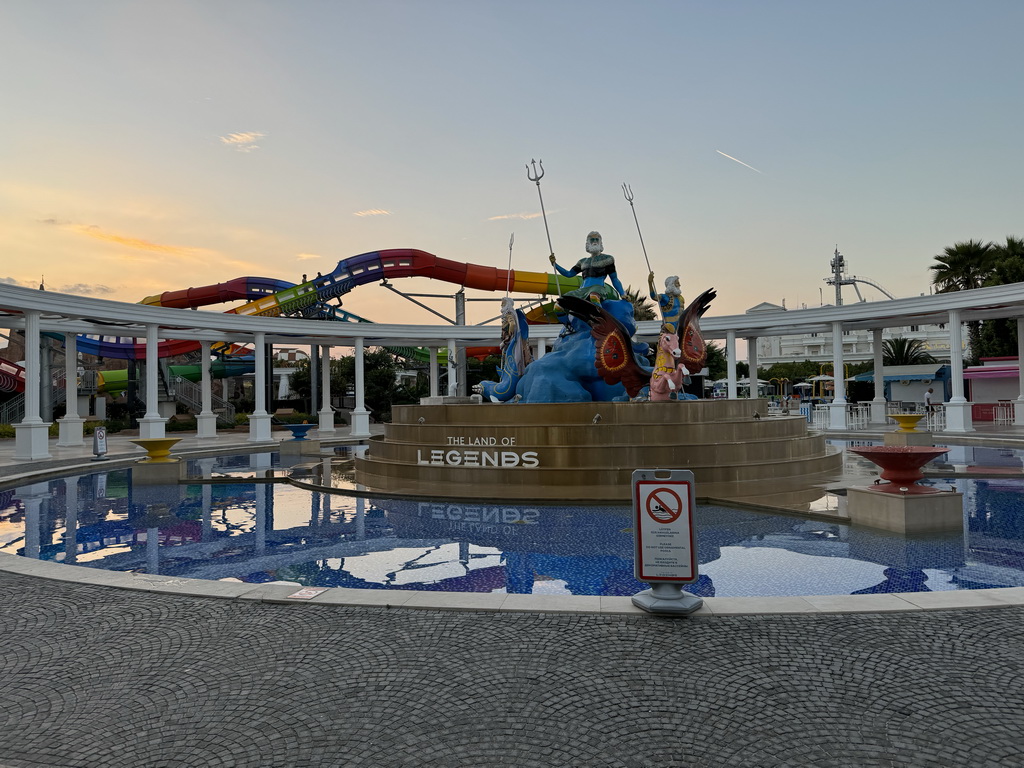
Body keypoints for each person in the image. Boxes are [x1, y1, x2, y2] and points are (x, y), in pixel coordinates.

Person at [550, 231, 625, 303]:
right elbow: (569, 274)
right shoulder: (583, 262)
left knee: (593, 296)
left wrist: (622, 294)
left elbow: (614, 279)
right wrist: (554, 264)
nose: (594, 241)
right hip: (582, 290)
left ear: (600, 242)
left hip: (598, 289)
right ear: (588, 243)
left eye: (597, 239)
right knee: (560, 302)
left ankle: (598, 315)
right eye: (592, 239)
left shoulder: (607, 259)